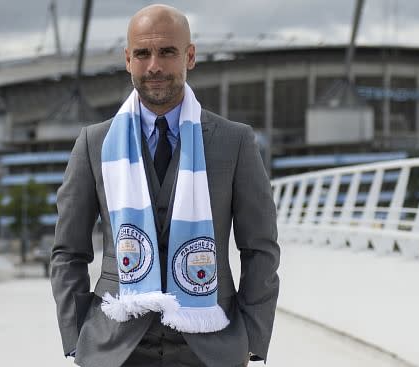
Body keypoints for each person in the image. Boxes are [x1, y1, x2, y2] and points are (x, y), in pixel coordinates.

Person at [50, 4, 280, 367]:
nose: (154, 65)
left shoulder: (234, 142)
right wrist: (78, 337)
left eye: (167, 52)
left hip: (211, 344)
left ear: (189, 56)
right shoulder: (94, 143)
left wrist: (251, 337)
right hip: (114, 346)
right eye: (142, 53)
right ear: (128, 60)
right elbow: (68, 252)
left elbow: (260, 249)